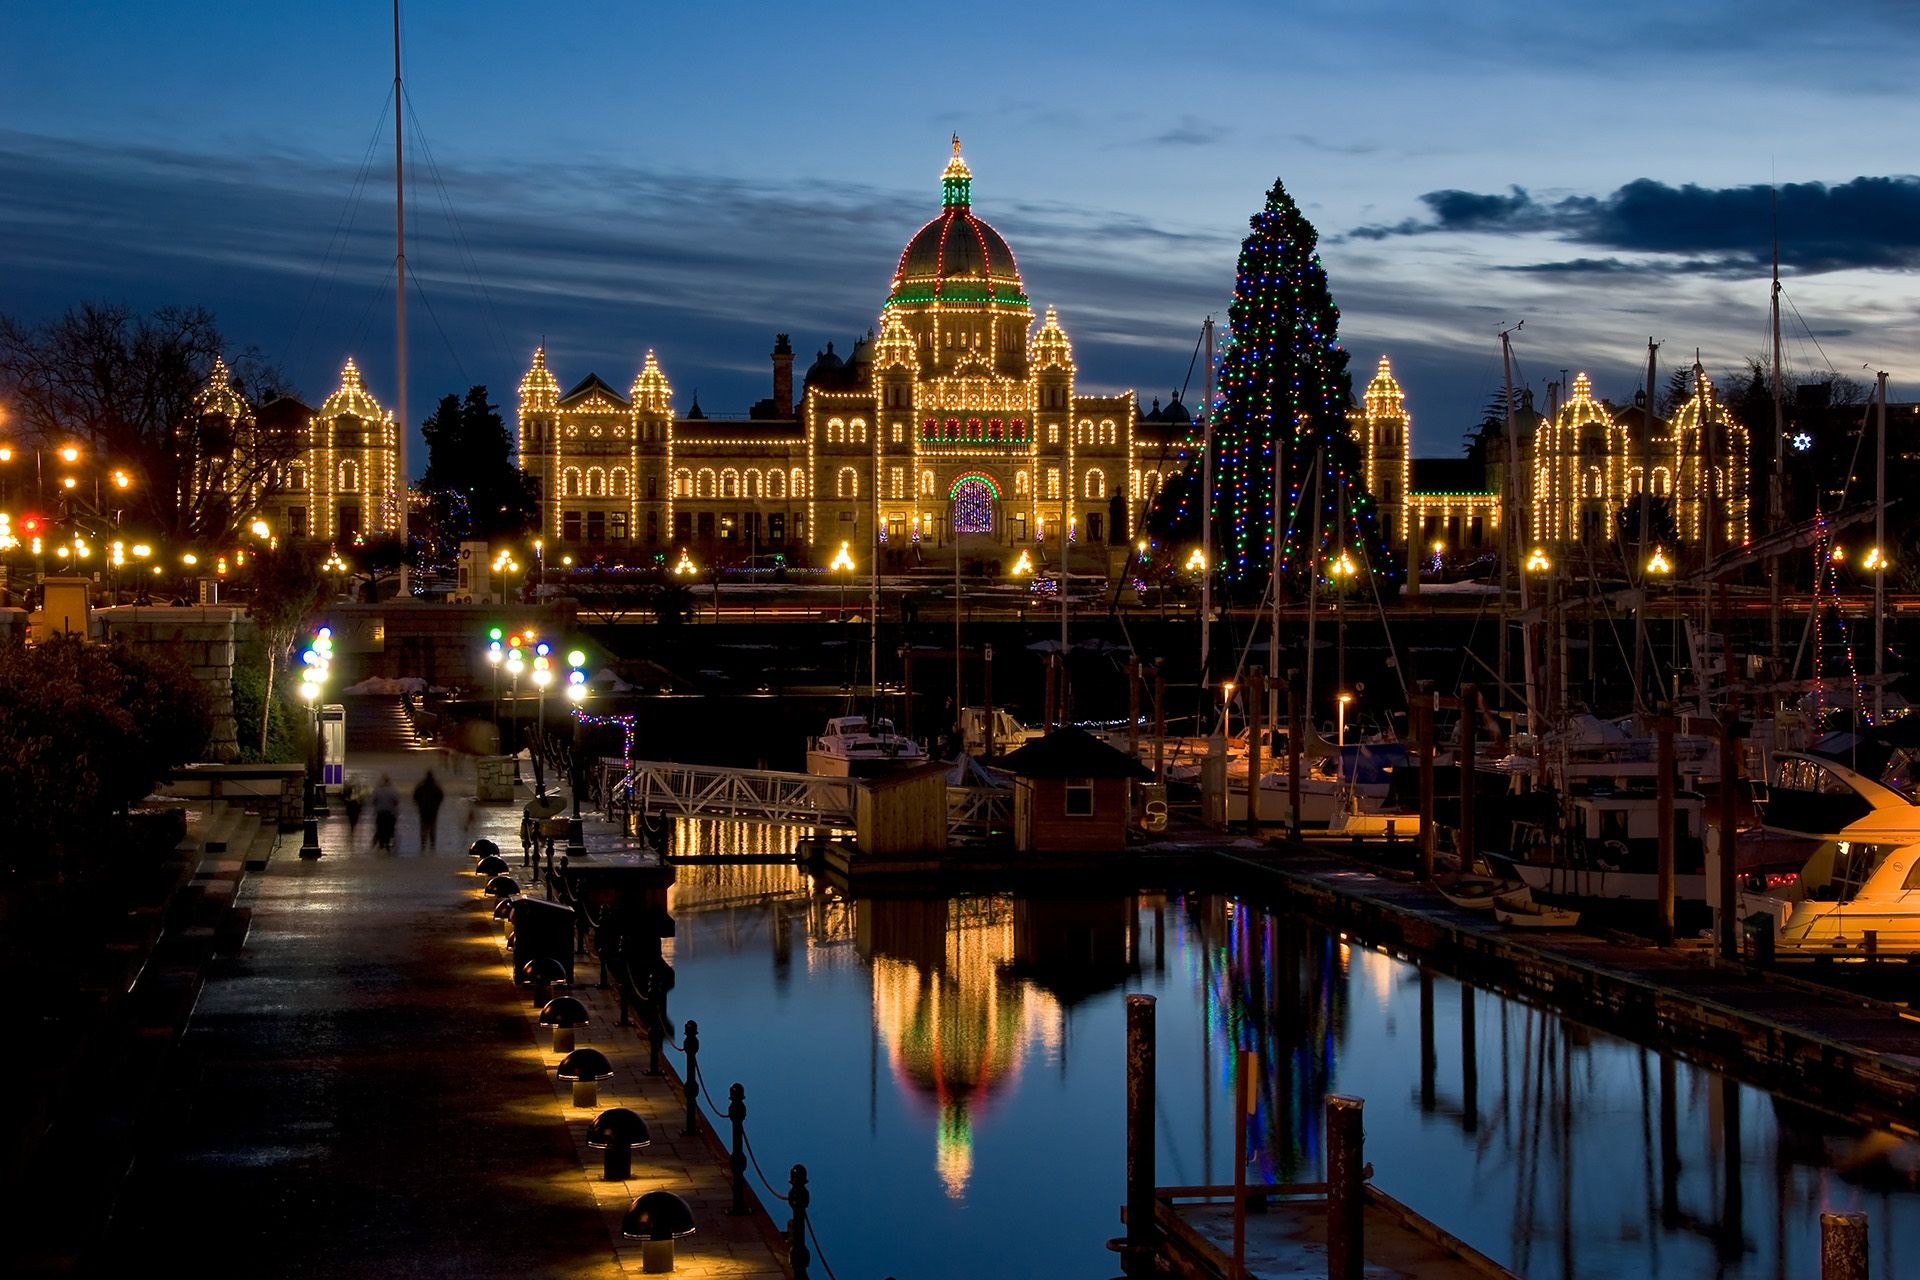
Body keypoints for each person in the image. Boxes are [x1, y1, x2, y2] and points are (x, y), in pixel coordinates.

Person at [413, 770, 445, 851]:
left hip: (423, 810)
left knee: (423, 827)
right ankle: (432, 845)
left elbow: (415, 796)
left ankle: (423, 844)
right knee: (432, 828)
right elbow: (441, 796)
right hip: (433, 811)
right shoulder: (436, 786)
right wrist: (437, 805)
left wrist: (419, 805)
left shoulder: (421, 786)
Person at [370, 774, 401, 852]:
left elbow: (373, 801)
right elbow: (396, 802)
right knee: (389, 830)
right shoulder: (393, 790)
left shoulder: (377, 790)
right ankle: (387, 845)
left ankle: (380, 845)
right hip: (390, 813)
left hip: (380, 813)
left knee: (380, 829)